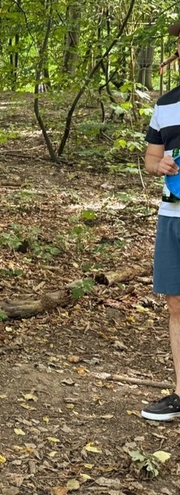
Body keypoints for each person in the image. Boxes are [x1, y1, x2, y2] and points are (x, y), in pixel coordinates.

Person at [142, 30, 180, 421]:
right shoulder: (165, 106)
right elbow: (151, 159)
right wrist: (160, 165)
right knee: (176, 304)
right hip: (173, 215)